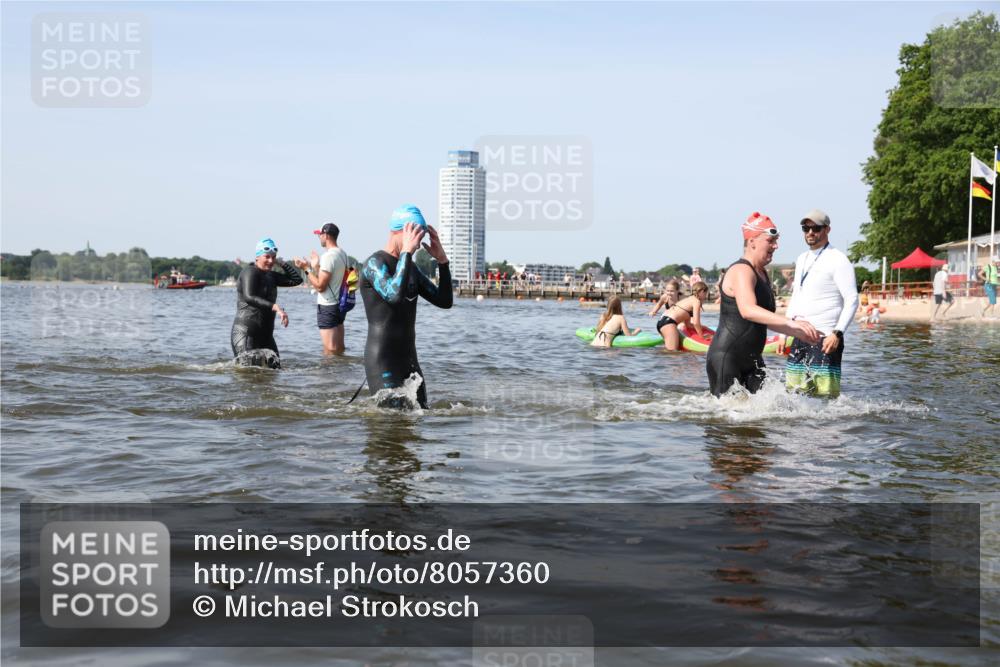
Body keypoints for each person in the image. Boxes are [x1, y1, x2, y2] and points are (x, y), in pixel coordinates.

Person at [706, 212, 820, 397]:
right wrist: (791, 322)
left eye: (776, 241)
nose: (776, 246)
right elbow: (748, 310)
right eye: (771, 240)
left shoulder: (763, 274)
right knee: (728, 420)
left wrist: (797, 332)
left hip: (753, 361)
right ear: (752, 241)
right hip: (727, 358)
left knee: (779, 408)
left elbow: (762, 318)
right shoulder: (741, 270)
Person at [360, 204, 452, 409]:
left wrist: (443, 262)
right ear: (402, 231)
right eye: (416, 238)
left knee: (419, 419)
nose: (419, 245)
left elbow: (445, 301)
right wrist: (406, 253)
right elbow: (393, 295)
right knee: (391, 426)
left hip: (409, 361)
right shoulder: (374, 264)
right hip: (382, 361)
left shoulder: (410, 268)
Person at [783, 209, 860, 398]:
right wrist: (787, 330)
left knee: (825, 398)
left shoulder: (838, 259)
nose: (810, 232)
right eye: (806, 228)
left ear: (827, 230)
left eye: (815, 228)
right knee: (794, 394)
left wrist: (837, 333)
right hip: (800, 335)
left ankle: (827, 429)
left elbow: (852, 299)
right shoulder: (802, 259)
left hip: (826, 338)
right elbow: (797, 295)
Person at [231, 237, 303, 368]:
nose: (270, 261)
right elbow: (249, 296)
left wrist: (282, 263)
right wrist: (274, 306)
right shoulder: (249, 272)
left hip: (266, 335)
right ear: (257, 257)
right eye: (267, 257)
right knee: (249, 375)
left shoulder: (271, 276)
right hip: (246, 332)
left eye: (273, 257)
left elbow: (296, 280)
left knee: (275, 371)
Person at [294, 222, 349, 355]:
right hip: (339, 305)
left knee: (330, 350)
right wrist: (315, 266)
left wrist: (305, 269)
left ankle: (329, 376)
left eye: (320, 235)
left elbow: (320, 286)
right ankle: (341, 374)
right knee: (339, 349)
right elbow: (329, 279)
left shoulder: (328, 256)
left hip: (327, 307)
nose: (319, 238)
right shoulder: (343, 254)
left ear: (326, 235)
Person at [656, 281, 709, 350]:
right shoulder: (696, 302)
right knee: (672, 353)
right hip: (669, 324)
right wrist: (702, 336)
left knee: (669, 353)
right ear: (702, 291)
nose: (706, 296)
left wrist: (703, 327)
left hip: (662, 321)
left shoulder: (688, 299)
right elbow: (696, 323)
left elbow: (688, 325)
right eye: (706, 293)